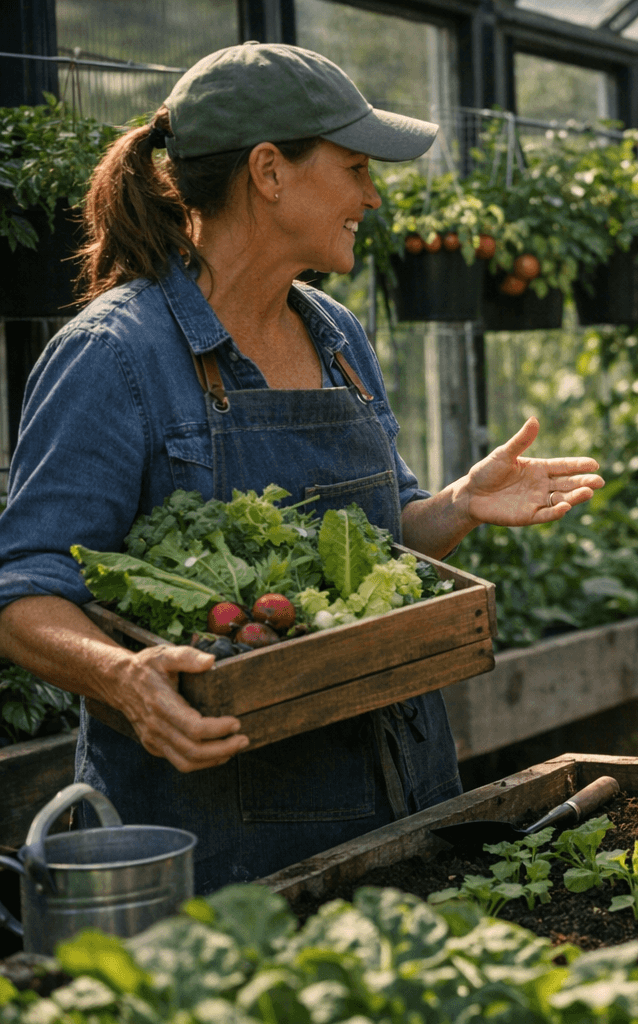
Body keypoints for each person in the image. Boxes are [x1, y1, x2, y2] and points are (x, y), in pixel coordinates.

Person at [0, 43, 603, 890]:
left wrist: (460, 504)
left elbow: (379, 537)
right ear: (269, 171)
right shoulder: (116, 356)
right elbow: (25, 591)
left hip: (402, 799)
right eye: (354, 166)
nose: (371, 195)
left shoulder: (335, 334)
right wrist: (123, 678)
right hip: (222, 845)